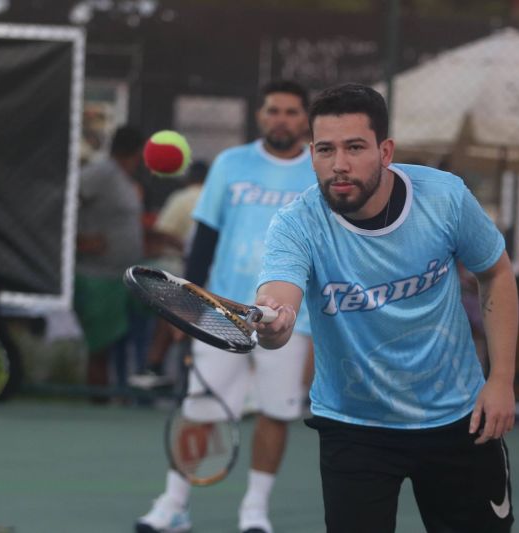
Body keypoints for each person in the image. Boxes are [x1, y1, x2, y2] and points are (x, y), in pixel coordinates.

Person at [254, 83, 518, 533]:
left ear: (385, 150)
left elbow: (496, 273)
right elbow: (280, 301)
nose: (339, 164)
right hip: (353, 426)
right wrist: (274, 325)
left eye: (355, 147)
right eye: (325, 149)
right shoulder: (296, 224)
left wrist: (501, 380)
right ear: (311, 154)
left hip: (458, 416)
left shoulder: (444, 198)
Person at [135, 81, 315, 533]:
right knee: (199, 411)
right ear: (260, 115)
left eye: (292, 112)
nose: (282, 119)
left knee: (277, 412)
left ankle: (254, 513)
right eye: (274, 110)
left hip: (293, 318)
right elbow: (206, 239)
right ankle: (173, 505)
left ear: (305, 119)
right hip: (221, 312)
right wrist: (187, 307)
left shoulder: (318, 170)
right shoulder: (231, 165)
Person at [75, 125, 145, 400]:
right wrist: (79, 240)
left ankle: (116, 394)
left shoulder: (123, 179)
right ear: (138, 152)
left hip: (120, 275)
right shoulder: (102, 173)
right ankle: (97, 402)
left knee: (114, 341)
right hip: (97, 275)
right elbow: (67, 199)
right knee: (99, 346)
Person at [129, 160, 209, 390]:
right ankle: (161, 368)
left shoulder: (183, 198)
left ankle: (154, 366)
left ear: (188, 179)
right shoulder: (217, 198)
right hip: (202, 278)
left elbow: (161, 233)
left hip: (187, 276)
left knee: (172, 308)